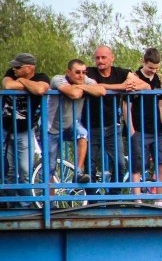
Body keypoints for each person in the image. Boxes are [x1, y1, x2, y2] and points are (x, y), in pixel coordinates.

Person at [86, 45, 150, 192]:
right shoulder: (89, 72)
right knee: (89, 165)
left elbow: (145, 86)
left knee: (120, 164)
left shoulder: (121, 72)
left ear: (112, 58)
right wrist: (121, 87)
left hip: (112, 125)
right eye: (97, 58)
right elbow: (96, 87)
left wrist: (130, 85)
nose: (100, 61)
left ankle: (113, 197)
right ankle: (93, 199)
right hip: (91, 125)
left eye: (104, 57)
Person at [45, 59, 107, 185]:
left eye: (84, 72)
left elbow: (101, 91)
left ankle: (78, 172)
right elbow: (74, 94)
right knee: (49, 168)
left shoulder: (85, 80)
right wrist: (83, 88)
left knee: (83, 134)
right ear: (68, 72)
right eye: (77, 72)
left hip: (71, 124)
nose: (81, 75)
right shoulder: (58, 79)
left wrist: (80, 85)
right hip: (51, 127)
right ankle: (49, 203)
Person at [2, 53, 49, 207]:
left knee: (25, 170)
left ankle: (26, 204)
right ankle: (10, 203)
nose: (14, 69)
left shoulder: (42, 76)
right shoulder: (11, 73)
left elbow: (41, 89)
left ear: (30, 68)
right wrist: (28, 85)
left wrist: (22, 81)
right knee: (8, 169)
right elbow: (8, 85)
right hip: (6, 129)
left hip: (25, 130)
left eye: (18, 67)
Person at [126, 48, 162, 205]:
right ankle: (137, 200)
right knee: (138, 165)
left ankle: (159, 200)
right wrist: (131, 129)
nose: (153, 71)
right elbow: (127, 105)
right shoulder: (134, 77)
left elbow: (161, 103)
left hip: (159, 129)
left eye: (156, 68)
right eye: (151, 67)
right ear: (143, 62)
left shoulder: (160, 78)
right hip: (139, 128)